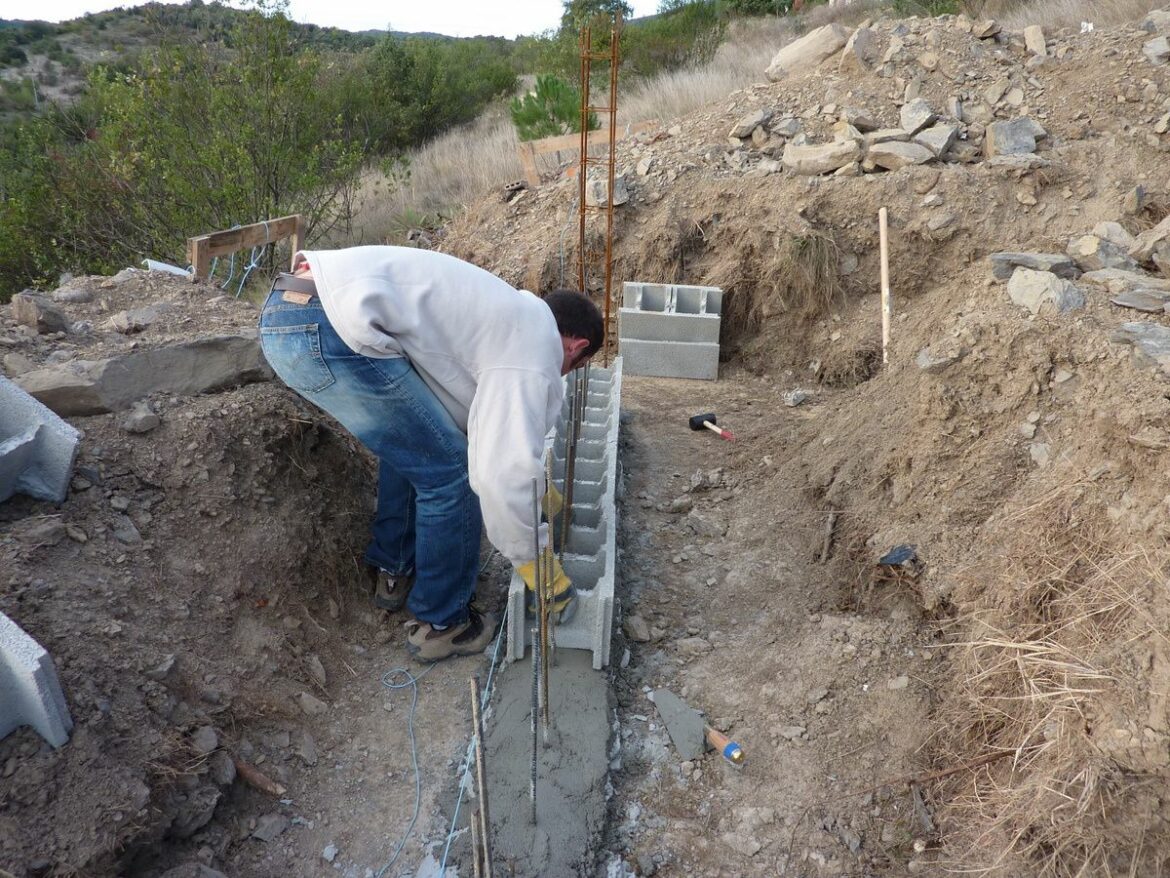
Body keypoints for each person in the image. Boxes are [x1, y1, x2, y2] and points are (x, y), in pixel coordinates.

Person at [258, 246, 604, 662]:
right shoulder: (535, 351)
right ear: (577, 347)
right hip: (329, 328)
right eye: (574, 367)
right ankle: (443, 623)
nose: (563, 375)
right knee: (453, 474)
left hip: (293, 308)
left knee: (420, 446)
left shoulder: (509, 317)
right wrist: (537, 565)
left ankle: (394, 570)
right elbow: (501, 473)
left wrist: (539, 492)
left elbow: (470, 421)